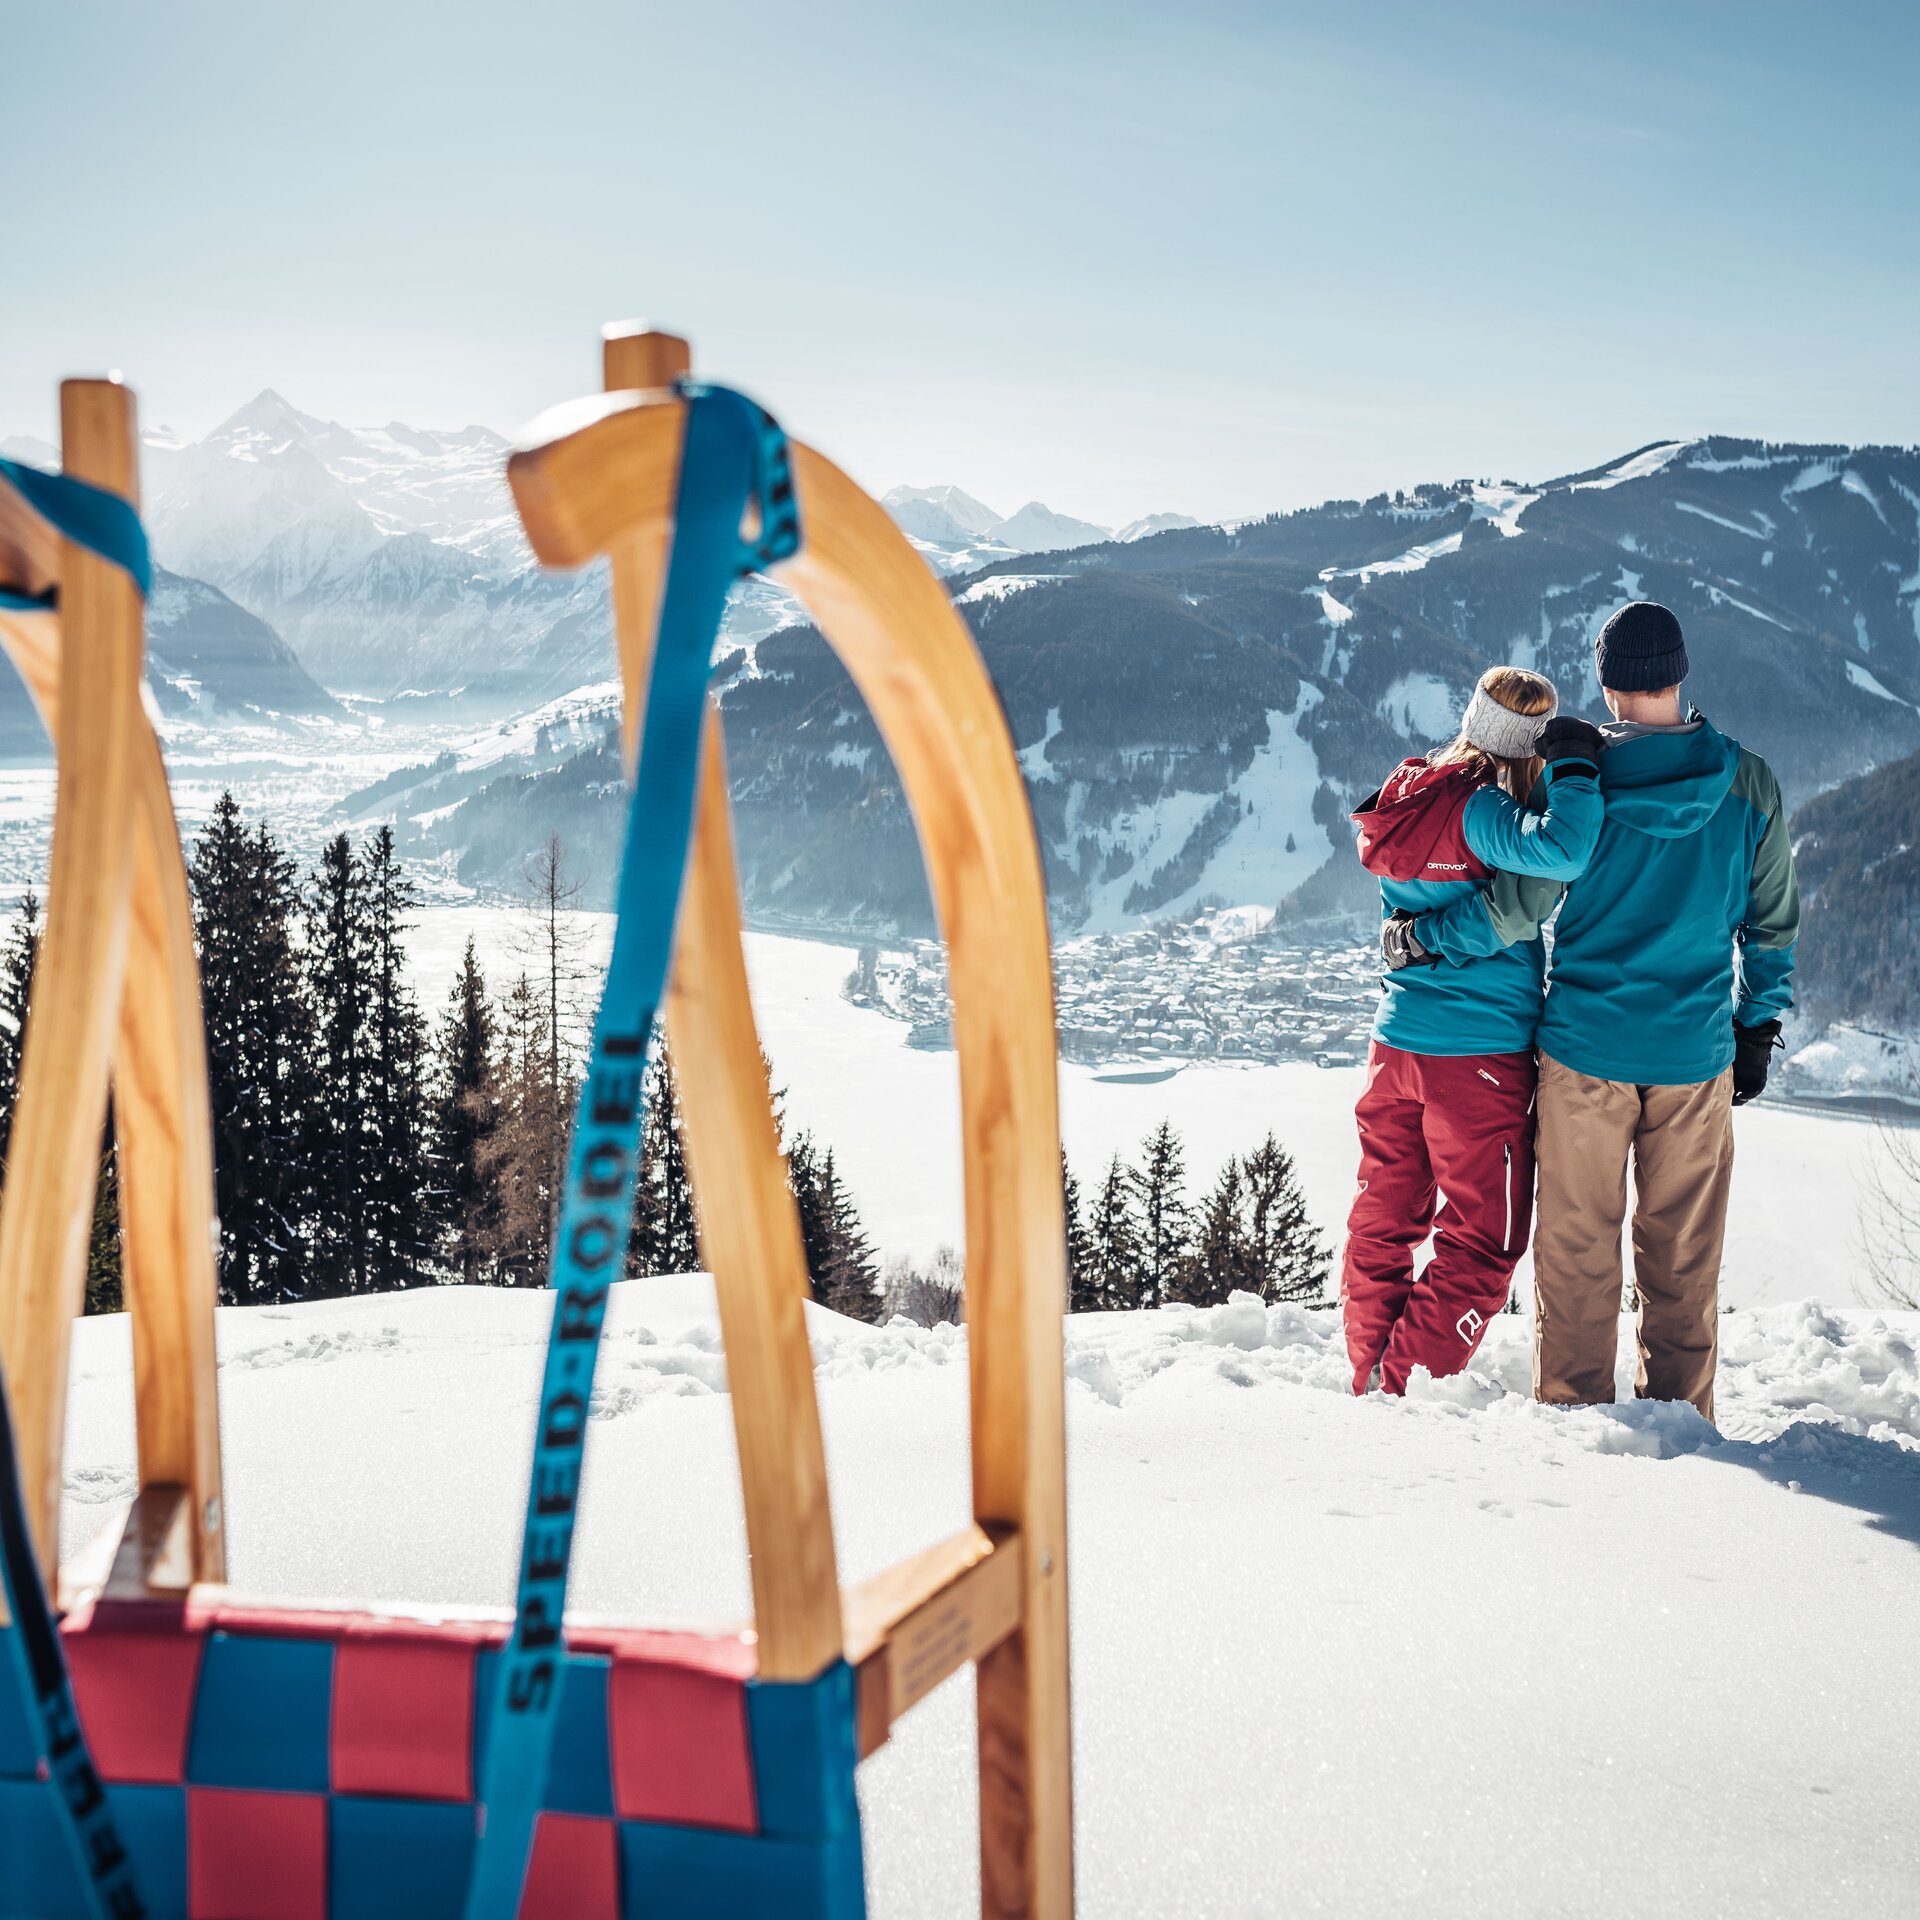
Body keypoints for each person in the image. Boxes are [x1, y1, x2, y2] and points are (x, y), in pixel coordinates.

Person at [1521, 602, 1798, 1421]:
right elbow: (1772, 926)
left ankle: (1574, 1428)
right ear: (1679, 676)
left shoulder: (1580, 777)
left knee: (1576, 1256)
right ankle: (1683, 1437)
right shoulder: (1748, 780)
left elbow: (1523, 900)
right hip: (1694, 1055)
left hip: (1584, 1052)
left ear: (1608, 683)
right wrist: (1757, 1029)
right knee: (1682, 1261)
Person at [1341, 666, 1604, 1395]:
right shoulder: (1482, 809)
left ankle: (1369, 1380)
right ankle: (1402, 1390)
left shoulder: (1412, 788)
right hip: (1477, 1056)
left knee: (1384, 1217)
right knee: (1485, 1241)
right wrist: (1576, 768)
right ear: (1528, 744)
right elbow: (1568, 850)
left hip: (1396, 1043)